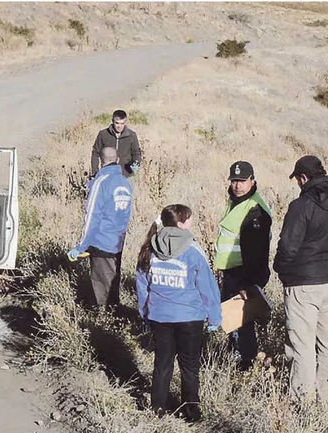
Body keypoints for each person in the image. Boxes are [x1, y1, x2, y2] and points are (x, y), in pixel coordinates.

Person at [136, 204, 221, 422]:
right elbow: (207, 286)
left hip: (160, 316)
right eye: (190, 219)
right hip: (190, 318)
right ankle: (191, 411)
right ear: (181, 223)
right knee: (190, 365)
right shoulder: (193, 250)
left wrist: (145, 313)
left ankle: (157, 408)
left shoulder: (150, 248)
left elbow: (142, 284)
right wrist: (214, 316)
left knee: (163, 363)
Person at [273, 155, 328, 406]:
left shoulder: (301, 205)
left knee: (301, 346)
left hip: (302, 283)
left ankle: (301, 403)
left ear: (303, 178)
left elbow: (287, 247)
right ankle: (327, 402)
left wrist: (282, 271)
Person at [214, 161, 272, 370]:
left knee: (242, 320)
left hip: (243, 273)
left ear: (252, 181)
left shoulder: (254, 210)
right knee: (233, 318)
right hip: (232, 271)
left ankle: (244, 363)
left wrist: (249, 284)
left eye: (242, 181)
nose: (237, 185)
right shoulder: (237, 201)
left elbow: (257, 252)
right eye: (234, 180)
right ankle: (236, 355)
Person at [67, 147, 132, 307]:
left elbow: (92, 217)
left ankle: (101, 324)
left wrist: (81, 246)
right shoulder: (125, 183)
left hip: (101, 242)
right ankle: (114, 318)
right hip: (117, 242)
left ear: (100, 162)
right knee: (112, 285)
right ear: (117, 160)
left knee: (102, 291)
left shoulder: (100, 182)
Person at [90, 109, 142, 179]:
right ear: (112, 121)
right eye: (117, 123)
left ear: (125, 122)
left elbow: (136, 153)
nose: (119, 126)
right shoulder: (103, 134)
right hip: (107, 174)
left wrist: (135, 165)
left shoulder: (131, 135)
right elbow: (95, 153)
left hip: (126, 175)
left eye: (122, 123)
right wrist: (95, 172)